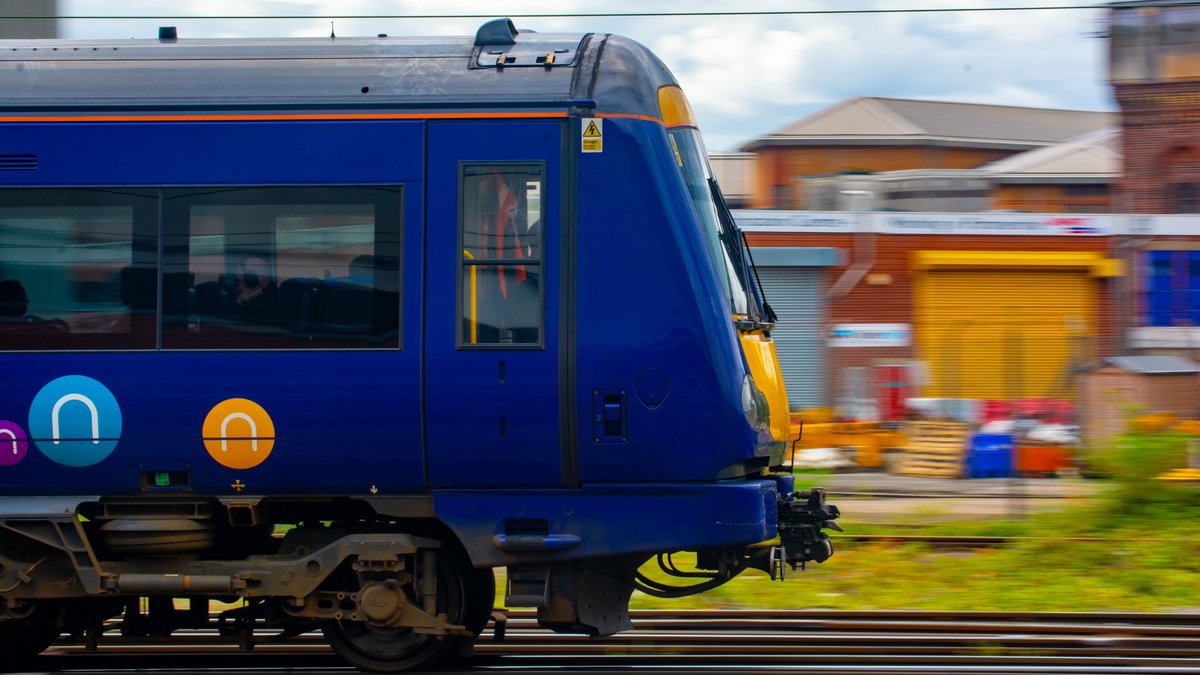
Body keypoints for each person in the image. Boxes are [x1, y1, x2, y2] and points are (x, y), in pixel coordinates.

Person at [228, 256, 280, 320]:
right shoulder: (236, 292)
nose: (238, 287)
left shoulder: (269, 292)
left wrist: (241, 300)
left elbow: (259, 312)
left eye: (240, 282)